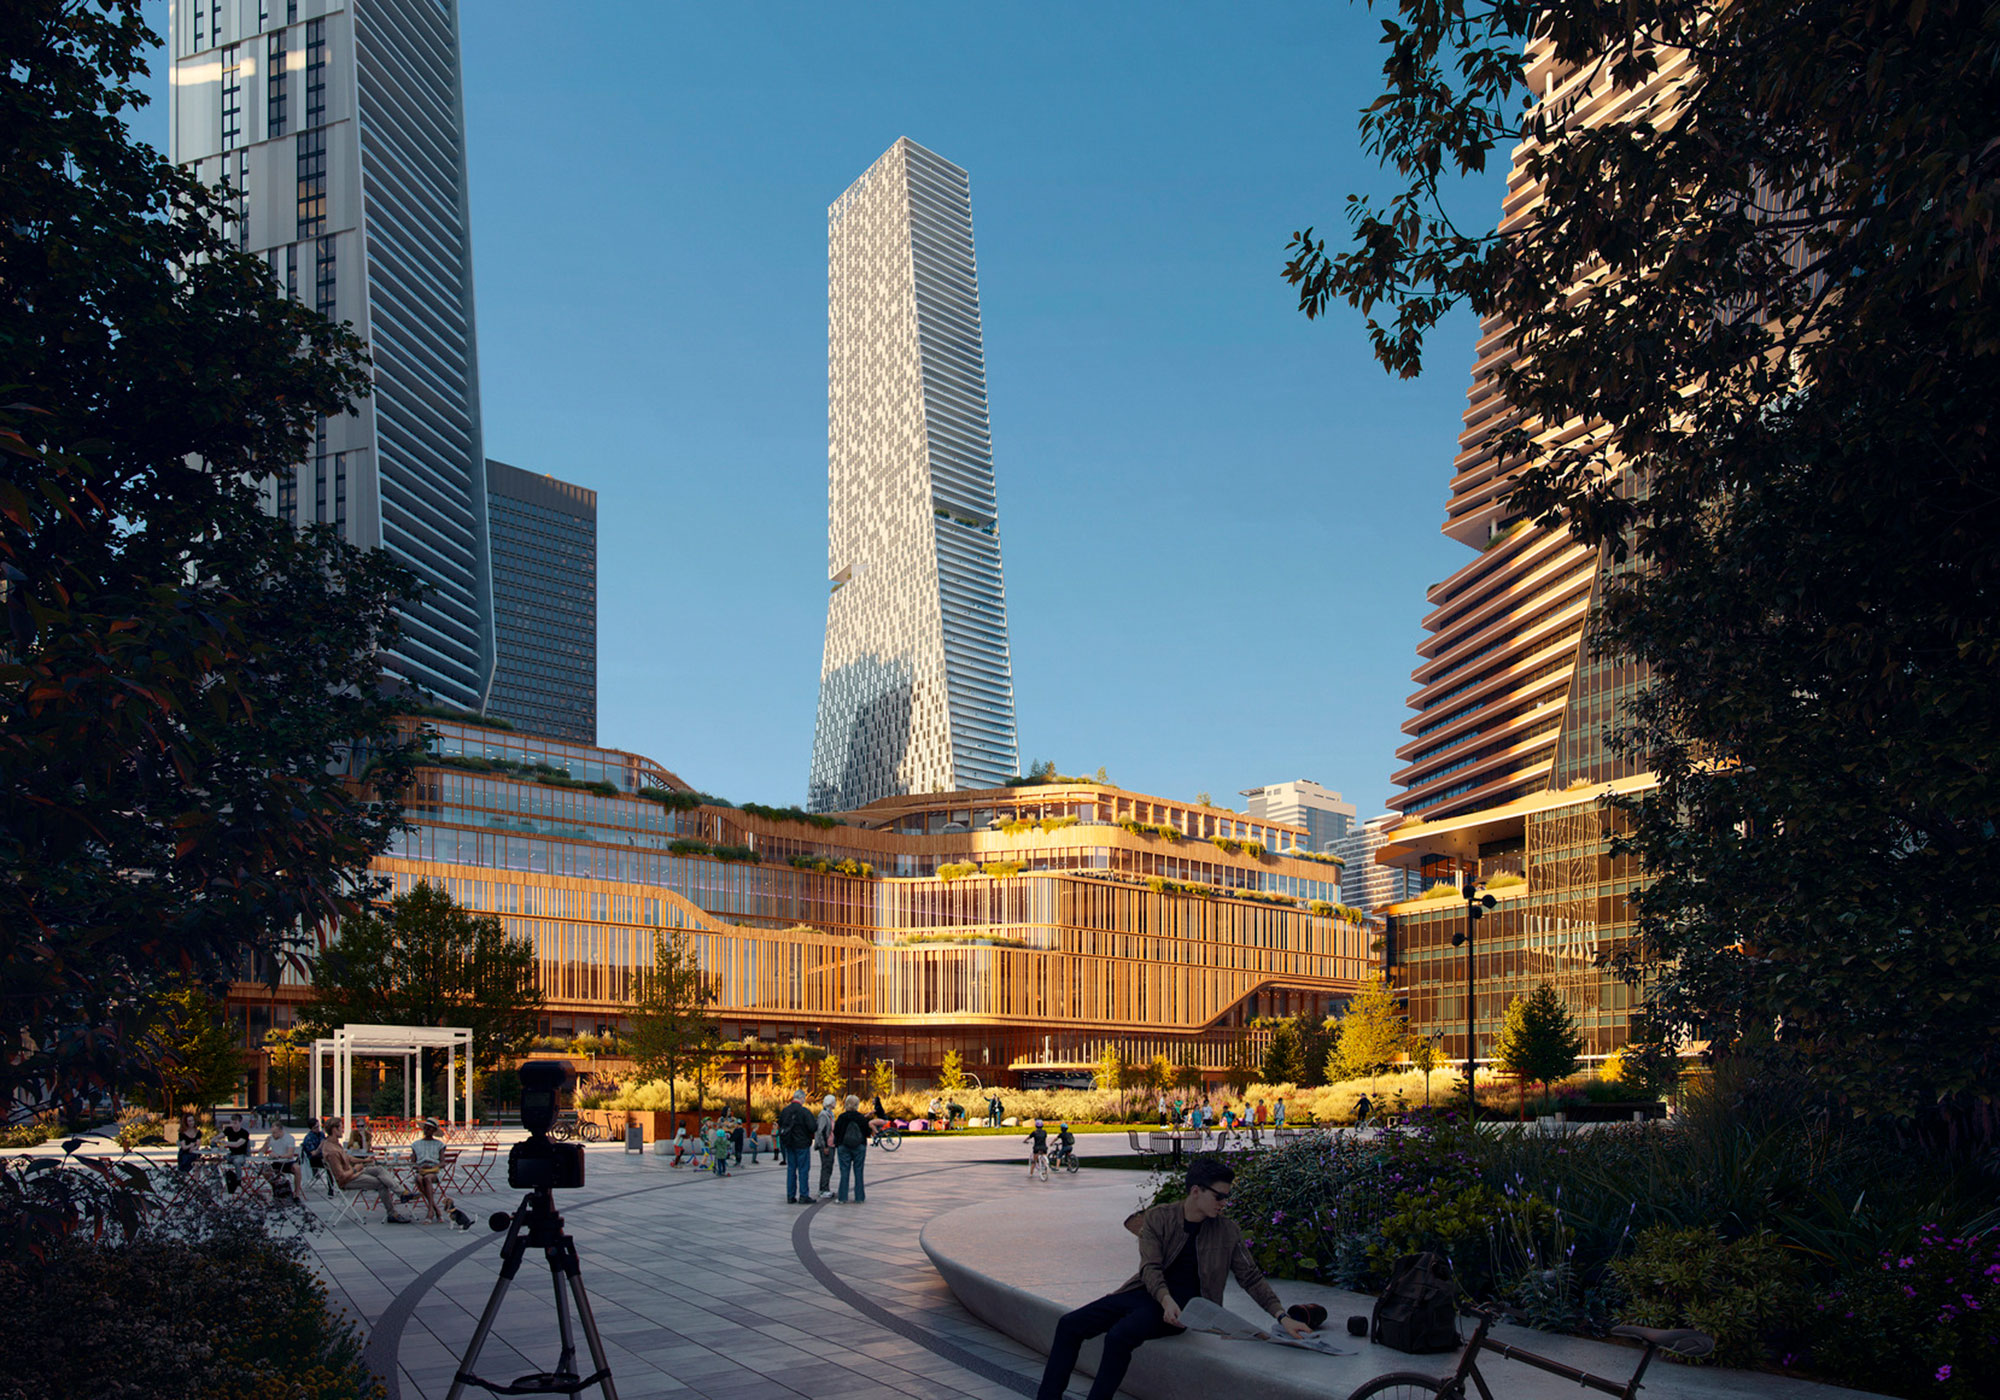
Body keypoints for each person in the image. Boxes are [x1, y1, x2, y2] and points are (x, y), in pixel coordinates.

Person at [1034, 1159, 1312, 1400]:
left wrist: (1282, 1316)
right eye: (1219, 1197)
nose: (1224, 1203)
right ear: (1195, 1191)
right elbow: (1150, 1268)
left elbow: (1250, 1277)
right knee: (1069, 1325)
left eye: (1228, 1197)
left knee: (1120, 1336)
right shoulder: (1158, 1218)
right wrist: (1164, 1299)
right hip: (1148, 1293)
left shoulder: (1227, 1231)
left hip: (1187, 1309)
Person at [320, 1118, 413, 1223]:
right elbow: (341, 1176)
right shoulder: (332, 1151)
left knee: (379, 1169)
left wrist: (364, 1160)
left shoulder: (336, 1144)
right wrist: (355, 1169)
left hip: (354, 1172)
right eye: (341, 1127)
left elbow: (349, 1158)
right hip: (349, 1180)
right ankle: (392, 1213)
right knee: (381, 1183)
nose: (342, 1130)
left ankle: (402, 1193)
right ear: (334, 1130)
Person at [777, 1090, 817, 1203]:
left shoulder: (785, 1111)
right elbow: (812, 1127)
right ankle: (803, 1195)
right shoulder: (804, 1112)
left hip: (789, 1143)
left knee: (791, 1169)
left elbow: (780, 1124)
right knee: (803, 1170)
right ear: (802, 1098)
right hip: (802, 1144)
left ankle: (790, 1195)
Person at [832, 1094, 871, 1203]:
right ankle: (859, 1197)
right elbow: (867, 1132)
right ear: (857, 1105)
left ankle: (843, 1197)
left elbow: (836, 1132)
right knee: (859, 1172)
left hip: (844, 1147)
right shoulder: (861, 1118)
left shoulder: (842, 1117)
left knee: (844, 1172)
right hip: (859, 1147)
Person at [408, 1118, 447, 1223]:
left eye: (430, 1129)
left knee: (427, 1178)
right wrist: (419, 1167)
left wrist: (433, 1166)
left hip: (434, 1171)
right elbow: (413, 1163)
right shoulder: (416, 1144)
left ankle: (430, 1211)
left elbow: (443, 1162)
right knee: (419, 1179)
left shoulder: (439, 1144)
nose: (427, 1130)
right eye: (426, 1128)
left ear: (434, 1131)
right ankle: (435, 1209)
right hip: (421, 1170)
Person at [261, 1120, 303, 1201]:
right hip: (276, 1162)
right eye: (272, 1132)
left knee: (297, 1168)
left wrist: (279, 1156)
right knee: (265, 1171)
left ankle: (296, 1193)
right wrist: (265, 1144)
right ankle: (276, 1187)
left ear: (280, 1131)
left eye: (275, 1133)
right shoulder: (271, 1138)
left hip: (287, 1162)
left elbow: (290, 1154)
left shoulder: (289, 1138)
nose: (273, 1135)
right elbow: (261, 1152)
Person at [221, 1113, 252, 1192]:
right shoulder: (228, 1130)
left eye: (235, 1123)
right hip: (231, 1154)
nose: (233, 1125)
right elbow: (219, 1136)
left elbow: (237, 1144)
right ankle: (220, 1179)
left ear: (240, 1122)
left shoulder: (244, 1133)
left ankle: (238, 1182)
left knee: (236, 1162)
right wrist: (214, 1140)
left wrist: (225, 1143)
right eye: (232, 1123)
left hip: (241, 1155)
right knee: (218, 1159)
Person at [815, 1094, 838, 1199]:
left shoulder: (830, 1114)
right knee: (826, 1166)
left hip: (831, 1144)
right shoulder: (824, 1115)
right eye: (834, 1101)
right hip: (827, 1145)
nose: (836, 1103)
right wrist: (824, 1146)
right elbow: (820, 1131)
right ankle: (823, 1189)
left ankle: (825, 1188)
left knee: (829, 1166)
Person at [299, 1118, 326, 1187]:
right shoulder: (309, 1138)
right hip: (313, 1159)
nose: (318, 1129)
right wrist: (320, 1146)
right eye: (315, 1127)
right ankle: (331, 1186)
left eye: (318, 1126)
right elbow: (313, 1153)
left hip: (323, 1156)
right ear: (311, 1128)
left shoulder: (321, 1134)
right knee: (330, 1163)